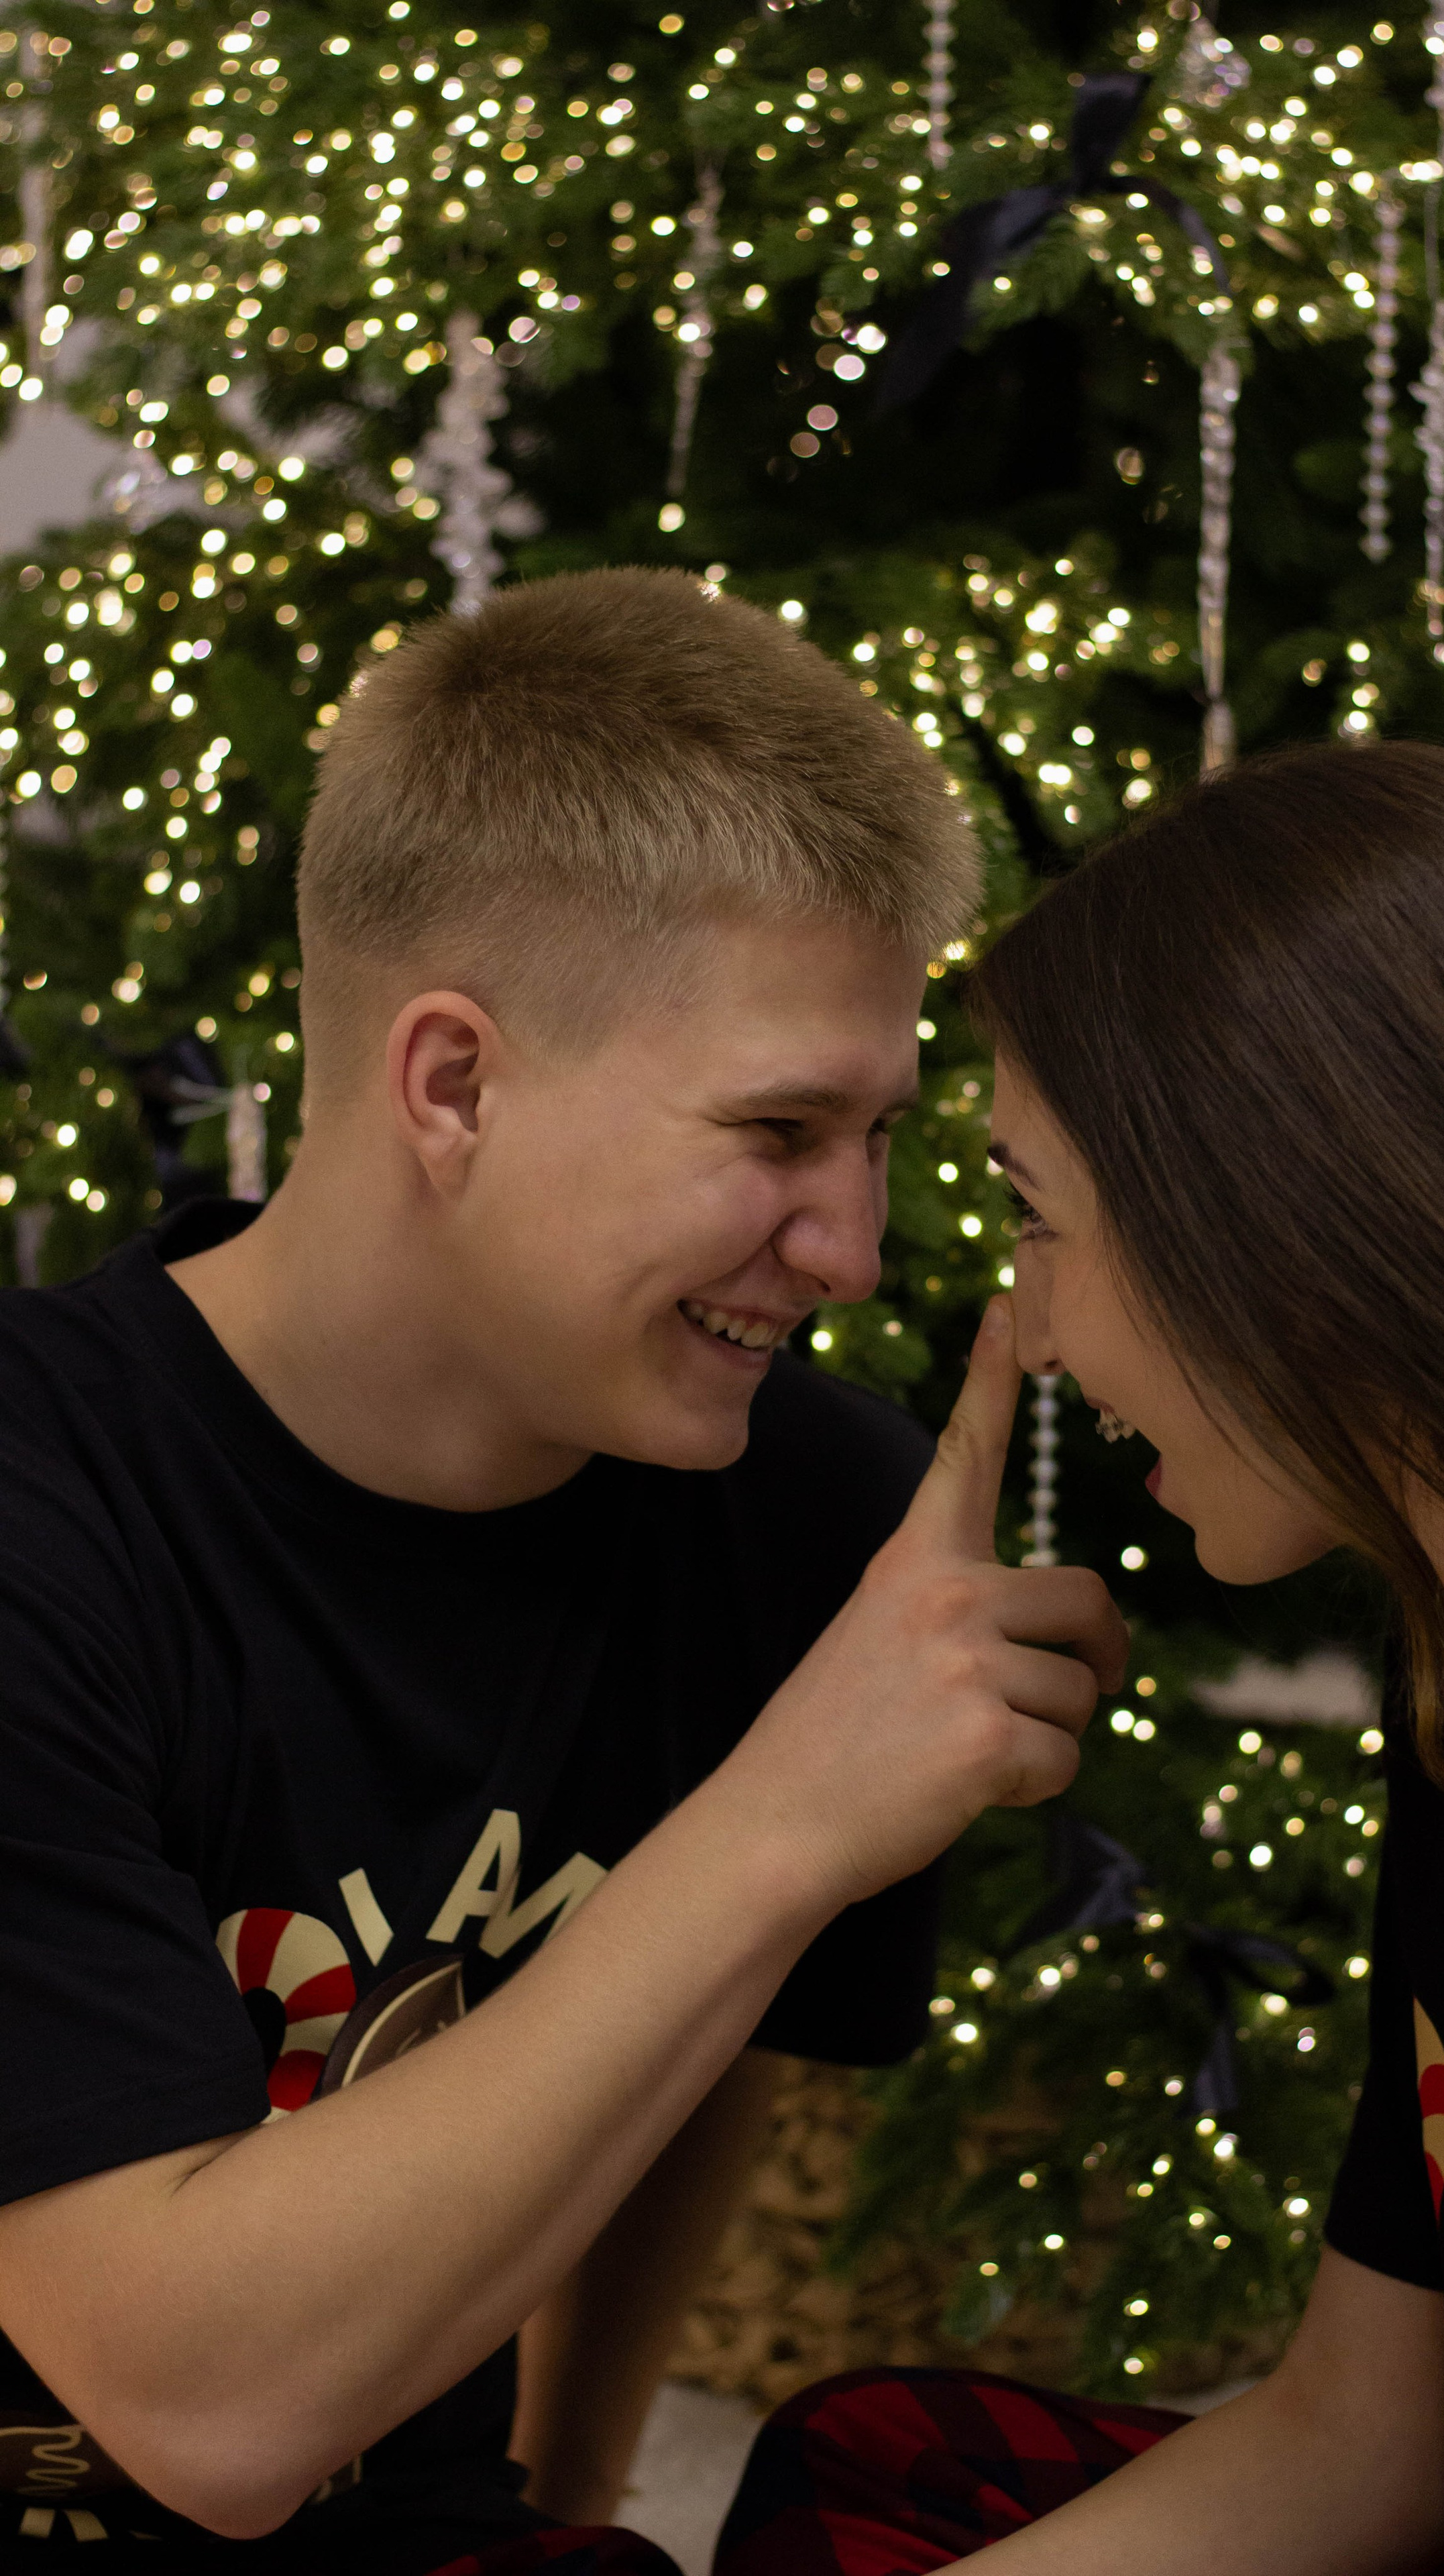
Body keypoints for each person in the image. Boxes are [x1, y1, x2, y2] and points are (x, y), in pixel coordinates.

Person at [0, 568, 1125, 2571]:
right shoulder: (41, 1519)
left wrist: (580, 2499)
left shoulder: (811, 1522)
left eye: (879, 1135)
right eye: (778, 1129)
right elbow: (198, 2408)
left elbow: (697, 2065)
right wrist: (794, 1803)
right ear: (452, 1082)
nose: (852, 1248)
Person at [704, 737, 1444, 2576]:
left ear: (1278, 1228)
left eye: (1034, 1213)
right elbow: (1361, 2440)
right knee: (874, 2466)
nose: (1023, 1316)